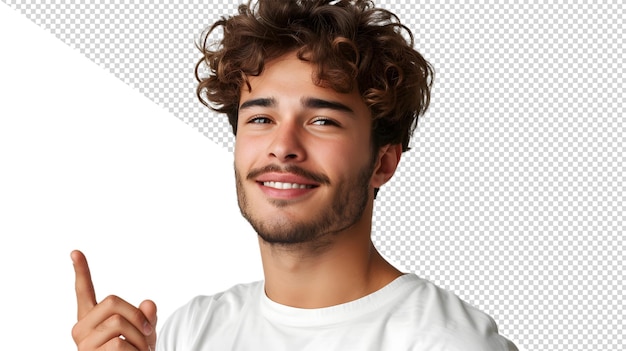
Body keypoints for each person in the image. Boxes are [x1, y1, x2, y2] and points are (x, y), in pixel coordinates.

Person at [71, 0, 518, 350]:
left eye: (322, 120)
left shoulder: (444, 343)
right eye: (261, 119)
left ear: (383, 162)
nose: (282, 145)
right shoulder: (190, 331)